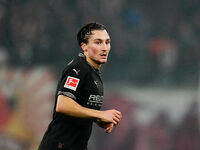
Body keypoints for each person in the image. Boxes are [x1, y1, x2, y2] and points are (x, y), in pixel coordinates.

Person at [38, 22, 122, 150]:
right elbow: (63, 104)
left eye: (107, 42)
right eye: (98, 42)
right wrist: (100, 115)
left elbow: (80, 109)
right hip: (59, 145)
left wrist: (99, 121)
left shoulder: (92, 72)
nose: (104, 47)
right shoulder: (77, 69)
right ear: (84, 46)